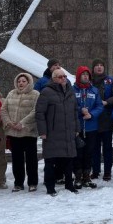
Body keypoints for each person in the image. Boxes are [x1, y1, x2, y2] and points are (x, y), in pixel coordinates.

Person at [35, 68, 79, 196]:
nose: (63, 78)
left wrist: (77, 128)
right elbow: (40, 113)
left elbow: (75, 112)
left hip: (68, 132)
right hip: (52, 133)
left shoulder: (70, 92)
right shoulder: (46, 92)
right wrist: (42, 131)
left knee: (69, 161)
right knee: (50, 161)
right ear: (53, 79)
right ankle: (50, 187)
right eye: (60, 77)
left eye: (65, 76)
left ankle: (69, 185)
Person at [2, 72, 39, 192]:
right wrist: (9, 122)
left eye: (23, 81)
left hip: (28, 132)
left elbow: (35, 111)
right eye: (19, 81)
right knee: (16, 159)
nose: (21, 83)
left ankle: (32, 182)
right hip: (14, 132)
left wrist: (22, 123)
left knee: (31, 160)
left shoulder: (35, 94)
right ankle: (18, 183)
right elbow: (3, 109)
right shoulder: (11, 93)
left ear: (29, 82)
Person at [72, 66, 102, 189]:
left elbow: (100, 106)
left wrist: (91, 114)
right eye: (83, 74)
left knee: (89, 153)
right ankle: (78, 177)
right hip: (77, 127)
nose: (85, 76)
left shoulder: (94, 90)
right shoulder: (72, 90)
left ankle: (87, 176)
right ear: (79, 76)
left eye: (87, 74)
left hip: (91, 127)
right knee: (78, 153)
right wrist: (80, 110)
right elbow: (69, 106)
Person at [90, 59, 113, 181]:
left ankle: (107, 171)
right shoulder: (88, 81)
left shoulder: (110, 80)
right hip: (92, 120)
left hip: (107, 119)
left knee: (107, 147)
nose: (99, 67)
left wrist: (107, 102)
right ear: (93, 68)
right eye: (97, 65)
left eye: (101, 65)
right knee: (94, 147)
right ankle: (95, 171)